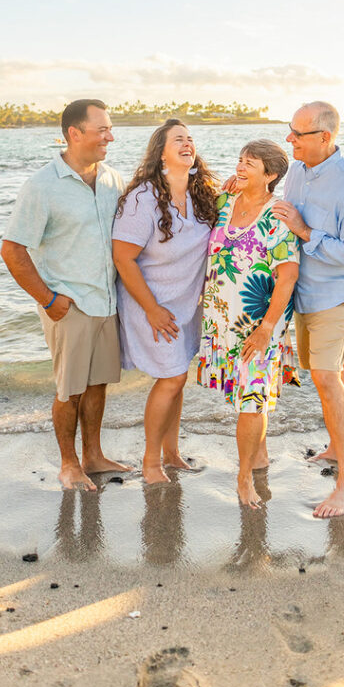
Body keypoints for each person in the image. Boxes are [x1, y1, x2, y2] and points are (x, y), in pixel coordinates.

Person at [0, 99, 130, 492]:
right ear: (74, 134)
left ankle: (93, 455)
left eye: (110, 128)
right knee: (68, 388)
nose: (110, 136)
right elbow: (12, 250)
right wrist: (48, 299)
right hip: (67, 305)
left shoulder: (113, 180)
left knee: (97, 385)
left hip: (107, 301)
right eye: (102, 129)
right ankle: (69, 464)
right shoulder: (42, 186)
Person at [272, 101, 344, 519]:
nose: (289, 139)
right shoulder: (296, 168)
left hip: (336, 293)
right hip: (303, 293)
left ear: (324, 137)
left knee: (325, 375)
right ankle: (337, 447)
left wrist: (305, 231)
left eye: (297, 133)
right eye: (289, 130)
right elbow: (275, 200)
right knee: (334, 372)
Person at [112, 119, 217, 485]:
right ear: (160, 152)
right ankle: (151, 462)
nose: (188, 143)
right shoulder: (143, 198)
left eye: (190, 139)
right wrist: (152, 310)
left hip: (186, 304)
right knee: (171, 377)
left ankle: (171, 453)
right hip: (150, 302)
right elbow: (123, 258)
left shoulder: (200, 194)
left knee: (179, 376)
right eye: (178, 140)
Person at [198, 139, 300, 508]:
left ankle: (243, 479)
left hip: (259, 324)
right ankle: (259, 456)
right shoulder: (225, 204)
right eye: (240, 160)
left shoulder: (278, 215)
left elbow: (287, 277)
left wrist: (266, 328)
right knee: (246, 397)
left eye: (250, 164)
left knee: (252, 399)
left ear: (270, 175)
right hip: (222, 320)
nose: (241, 168)